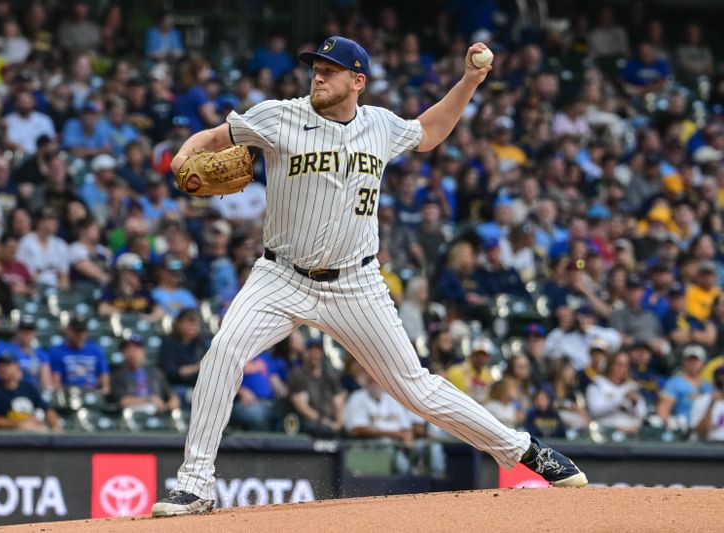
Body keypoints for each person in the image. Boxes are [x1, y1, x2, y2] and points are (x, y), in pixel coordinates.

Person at [154, 36, 586, 517]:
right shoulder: (278, 116)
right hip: (280, 277)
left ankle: (525, 451)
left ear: (357, 81)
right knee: (222, 354)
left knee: (416, 389)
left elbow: (429, 130)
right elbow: (212, 139)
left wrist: (470, 80)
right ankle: (195, 485)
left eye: (331, 70)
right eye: (316, 68)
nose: (319, 76)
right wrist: (180, 157)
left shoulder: (379, 125)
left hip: (355, 285)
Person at [0, 353, 60, 432]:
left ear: (16, 367)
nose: (2, 368)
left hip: (32, 436)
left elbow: (47, 410)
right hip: (4, 438)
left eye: (6, 365)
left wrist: (56, 427)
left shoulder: (28, 387)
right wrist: (18, 424)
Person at [287, 338, 347, 438]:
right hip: (307, 423)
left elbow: (339, 400)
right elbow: (303, 407)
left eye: (317, 351)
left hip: (330, 422)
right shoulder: (298, 374)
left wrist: (338, 423)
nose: (314, 354)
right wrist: (325, 422)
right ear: (305, 353)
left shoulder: (329, 375)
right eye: (311, 350)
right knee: (319, 429)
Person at [109, 336, 180, 414]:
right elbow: (123, 402)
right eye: (128, 350)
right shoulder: (117, 375)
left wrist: (168, 405)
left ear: (143, 351)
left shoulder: (155, 372)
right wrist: (149, 399)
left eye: (135, 349)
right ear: (122, 353)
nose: (132, 353)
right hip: (134, 413)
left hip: (158, 413)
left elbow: (172, 396)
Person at [586, 351, 647, 434]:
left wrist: (635, 403)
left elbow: (642, 415)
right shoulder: (598, 384)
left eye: (625, 365)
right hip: (607, 432)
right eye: (618, 365)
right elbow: (594, 411)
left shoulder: (632, 386)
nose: (622, 369)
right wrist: (620, 401)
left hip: (630, 432)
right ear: (610, 365)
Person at [49, 314, 110, 395]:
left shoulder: (95, 350)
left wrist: (103, 390)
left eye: (82, 331)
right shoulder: (57, 351)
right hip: (68, 393)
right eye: (76, 331)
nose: (79, 335)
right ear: (68, 331)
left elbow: (104, 376)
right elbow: (56, 381)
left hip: (91, 392)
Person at [655, 344, 712, 430]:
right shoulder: (674, 383)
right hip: (682, 430)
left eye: (696, 361)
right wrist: (672, 425)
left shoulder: (708, 386)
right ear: (683, 362)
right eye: (689, 360)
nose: (693, 363)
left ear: (703, 363)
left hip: (704, 430)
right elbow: (663, 410)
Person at [158, 309, 205, 408]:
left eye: (195, 324)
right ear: (178, 323)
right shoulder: (168, 342)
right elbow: (171, 373)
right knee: (193, 395)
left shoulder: (199, 343)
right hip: (175, 387)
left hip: (199, 385)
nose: (192, 327)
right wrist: (198, 366)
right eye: (188, 323)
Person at [690, 365, 724, 442]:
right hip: (710, 447)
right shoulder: (702, 400)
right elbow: (701, 433)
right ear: (714, 381)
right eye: (721, 377)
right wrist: (711, 405)